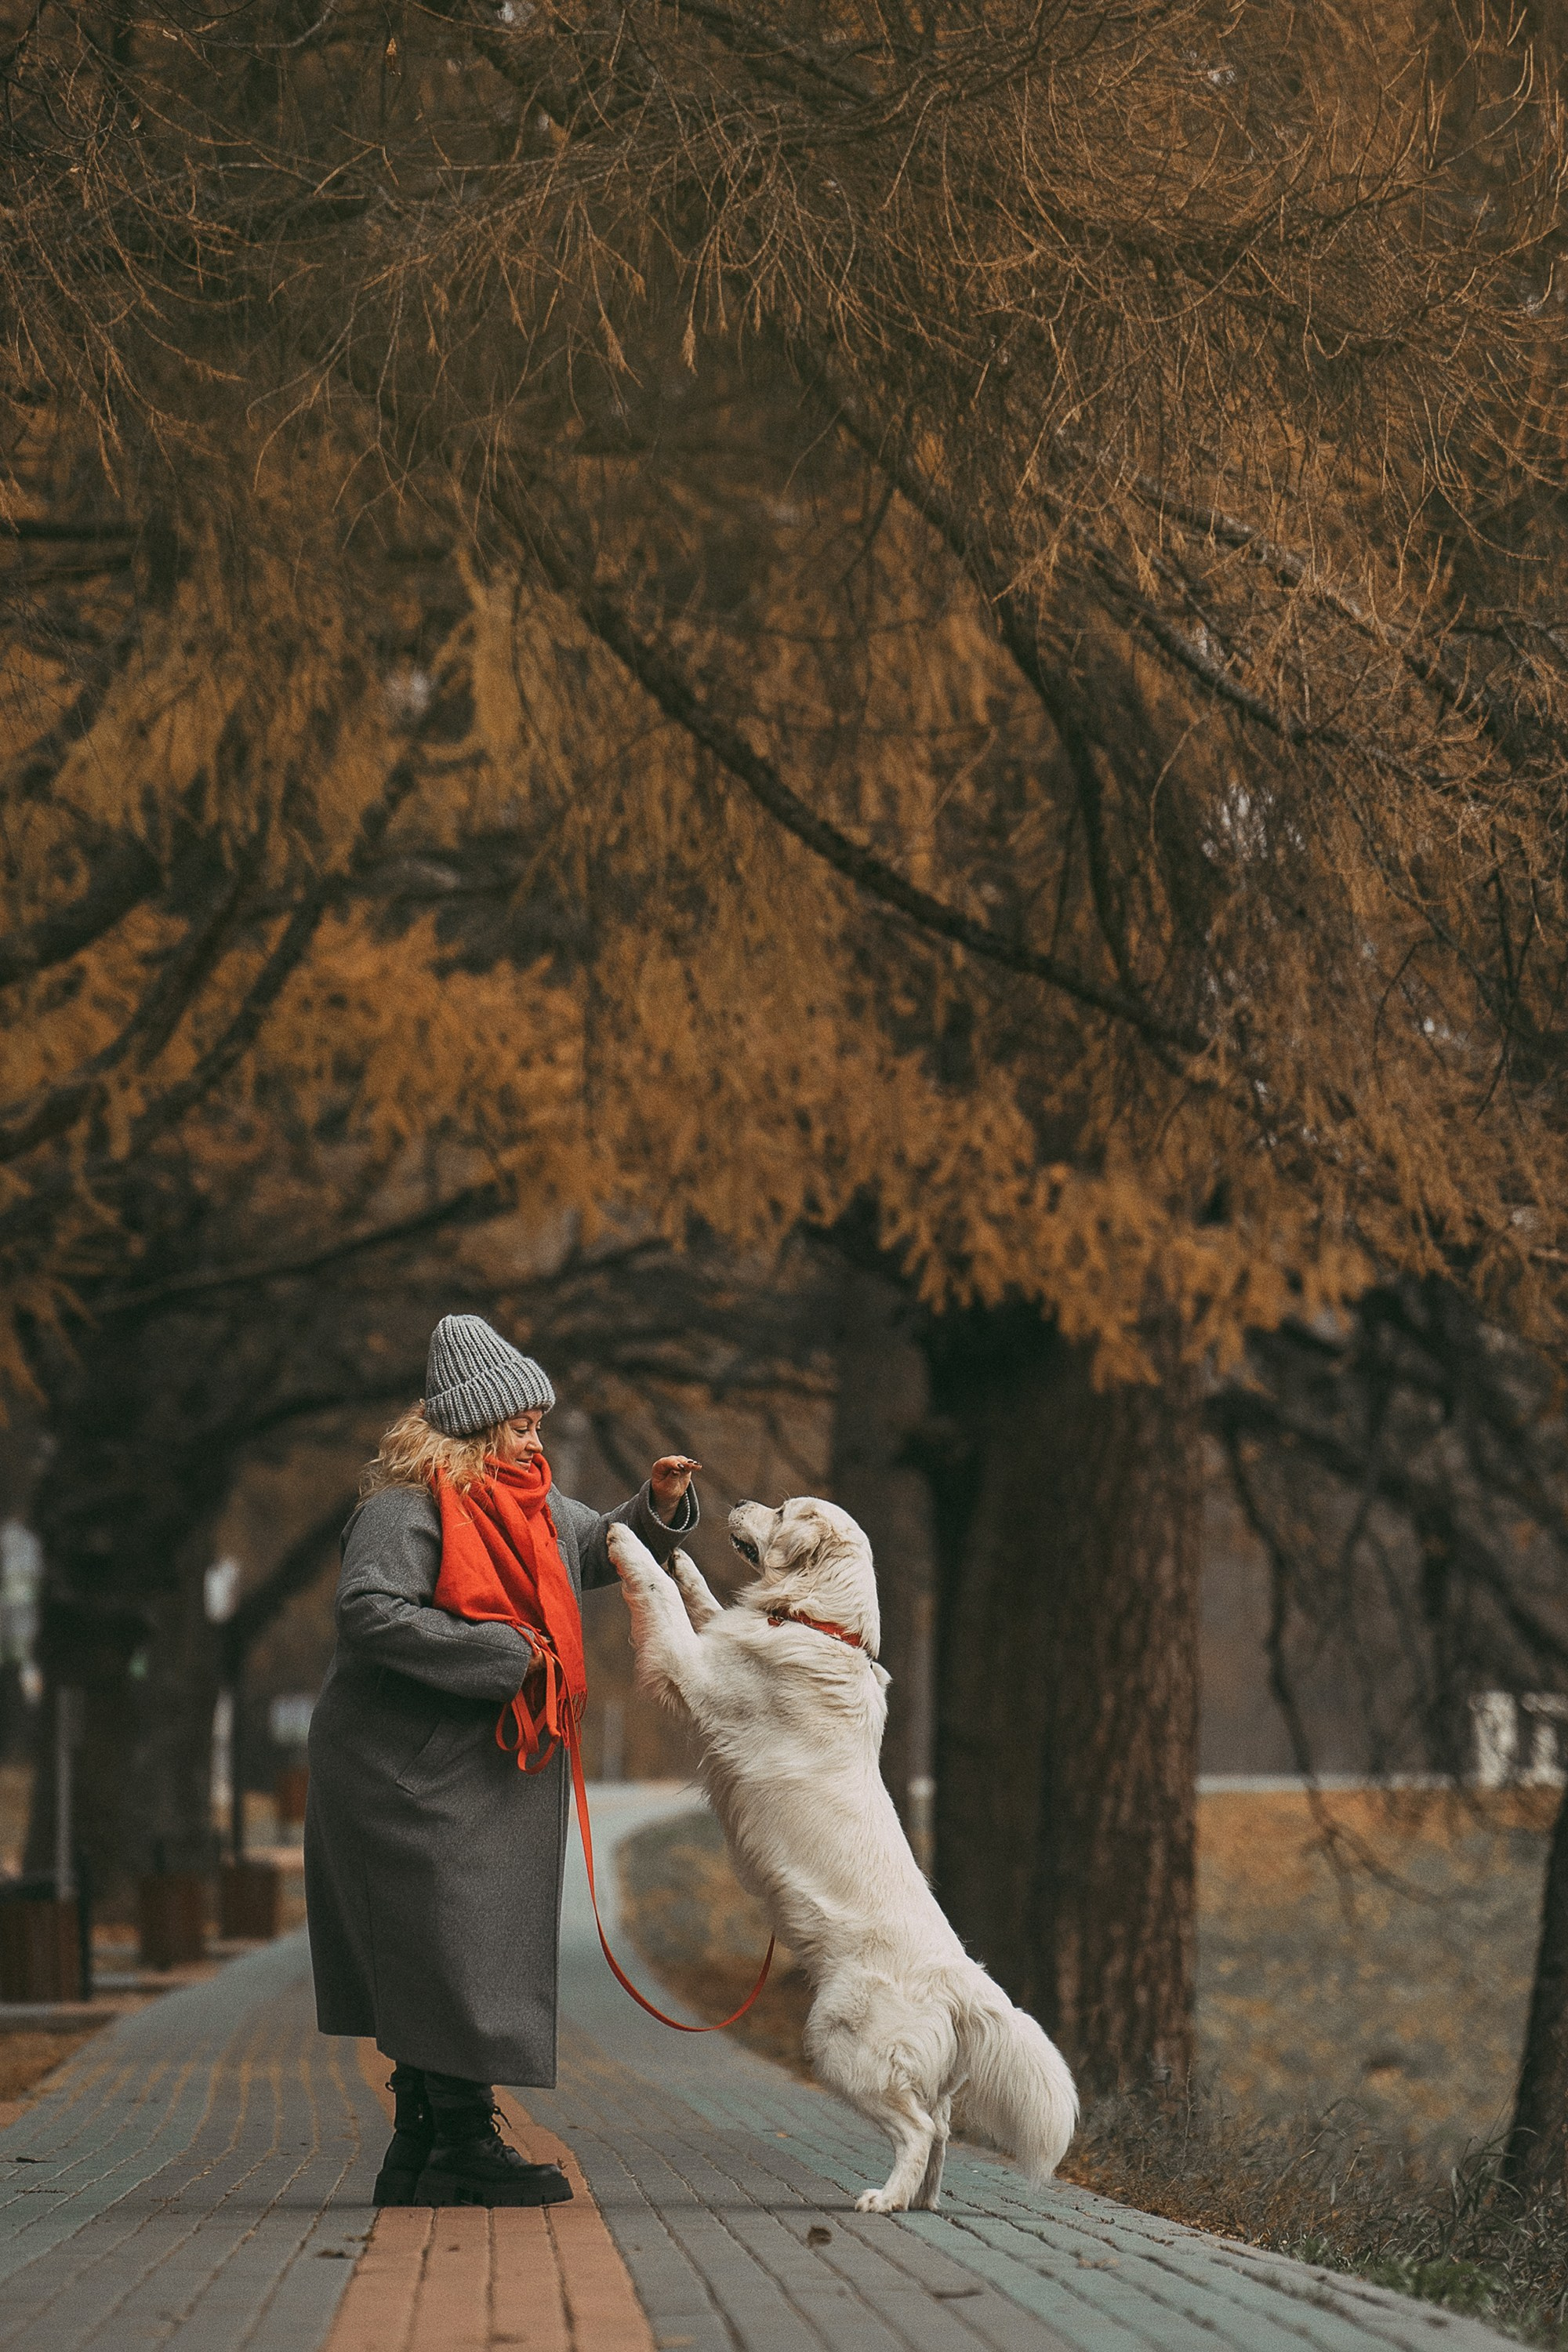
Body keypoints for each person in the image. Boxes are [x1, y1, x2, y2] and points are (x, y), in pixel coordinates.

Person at [303, 1312, 699, 2208]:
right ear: (477, 1427)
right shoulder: (405, 1507)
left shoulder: (525, 1501)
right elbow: (368, 1610)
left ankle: (421, 2151)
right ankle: (465, 2144)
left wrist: (658, 1509)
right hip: (398, 1771)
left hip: (463, 1768)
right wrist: (507, 1655)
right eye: (520, 1424)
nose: (535, 1437)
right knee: (448, 1948)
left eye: (535, 1423)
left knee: (442, 1949)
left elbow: (599, 1546)